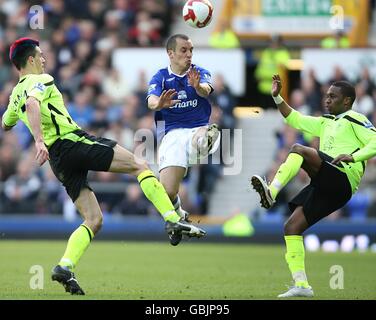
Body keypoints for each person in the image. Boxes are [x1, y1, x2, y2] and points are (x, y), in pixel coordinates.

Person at [2, 37, 206, 295]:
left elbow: (6, 123)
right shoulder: (41, 80)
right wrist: (39, 140)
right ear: (30, 60)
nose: (43, 59)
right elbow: (33, 103)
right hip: (71, 143)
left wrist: (22, 123)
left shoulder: (14, 93)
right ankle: (172, 219)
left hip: (58, 160)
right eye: (40, 55)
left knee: (93, 219)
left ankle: (65, 266)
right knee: (139, 164)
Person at [251, 74, 376, 298]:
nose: (326, 100)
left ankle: (271, 191)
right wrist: (278, 97)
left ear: (346, 101)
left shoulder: (354, 118)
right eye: (326, 96)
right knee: (291, 227)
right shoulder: (326, 121)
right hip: (328, 184)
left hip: (343, 176)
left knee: (299, 149)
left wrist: (354, 157)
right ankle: (302, 286)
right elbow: (294, 119)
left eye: (332, 96)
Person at [147, 34, 220, 246]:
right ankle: (179, 217)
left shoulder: (199, 73)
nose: (189, 55)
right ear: (171, 54)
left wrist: (197, 87)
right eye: (183, 50)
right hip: (172, 135)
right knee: (167, 193)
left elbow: (206, 91)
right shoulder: (160, 78)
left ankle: (205, 140)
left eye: (191, 51)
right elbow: (151, 101)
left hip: (197, 128)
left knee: (202, 136)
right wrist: (159, 103)